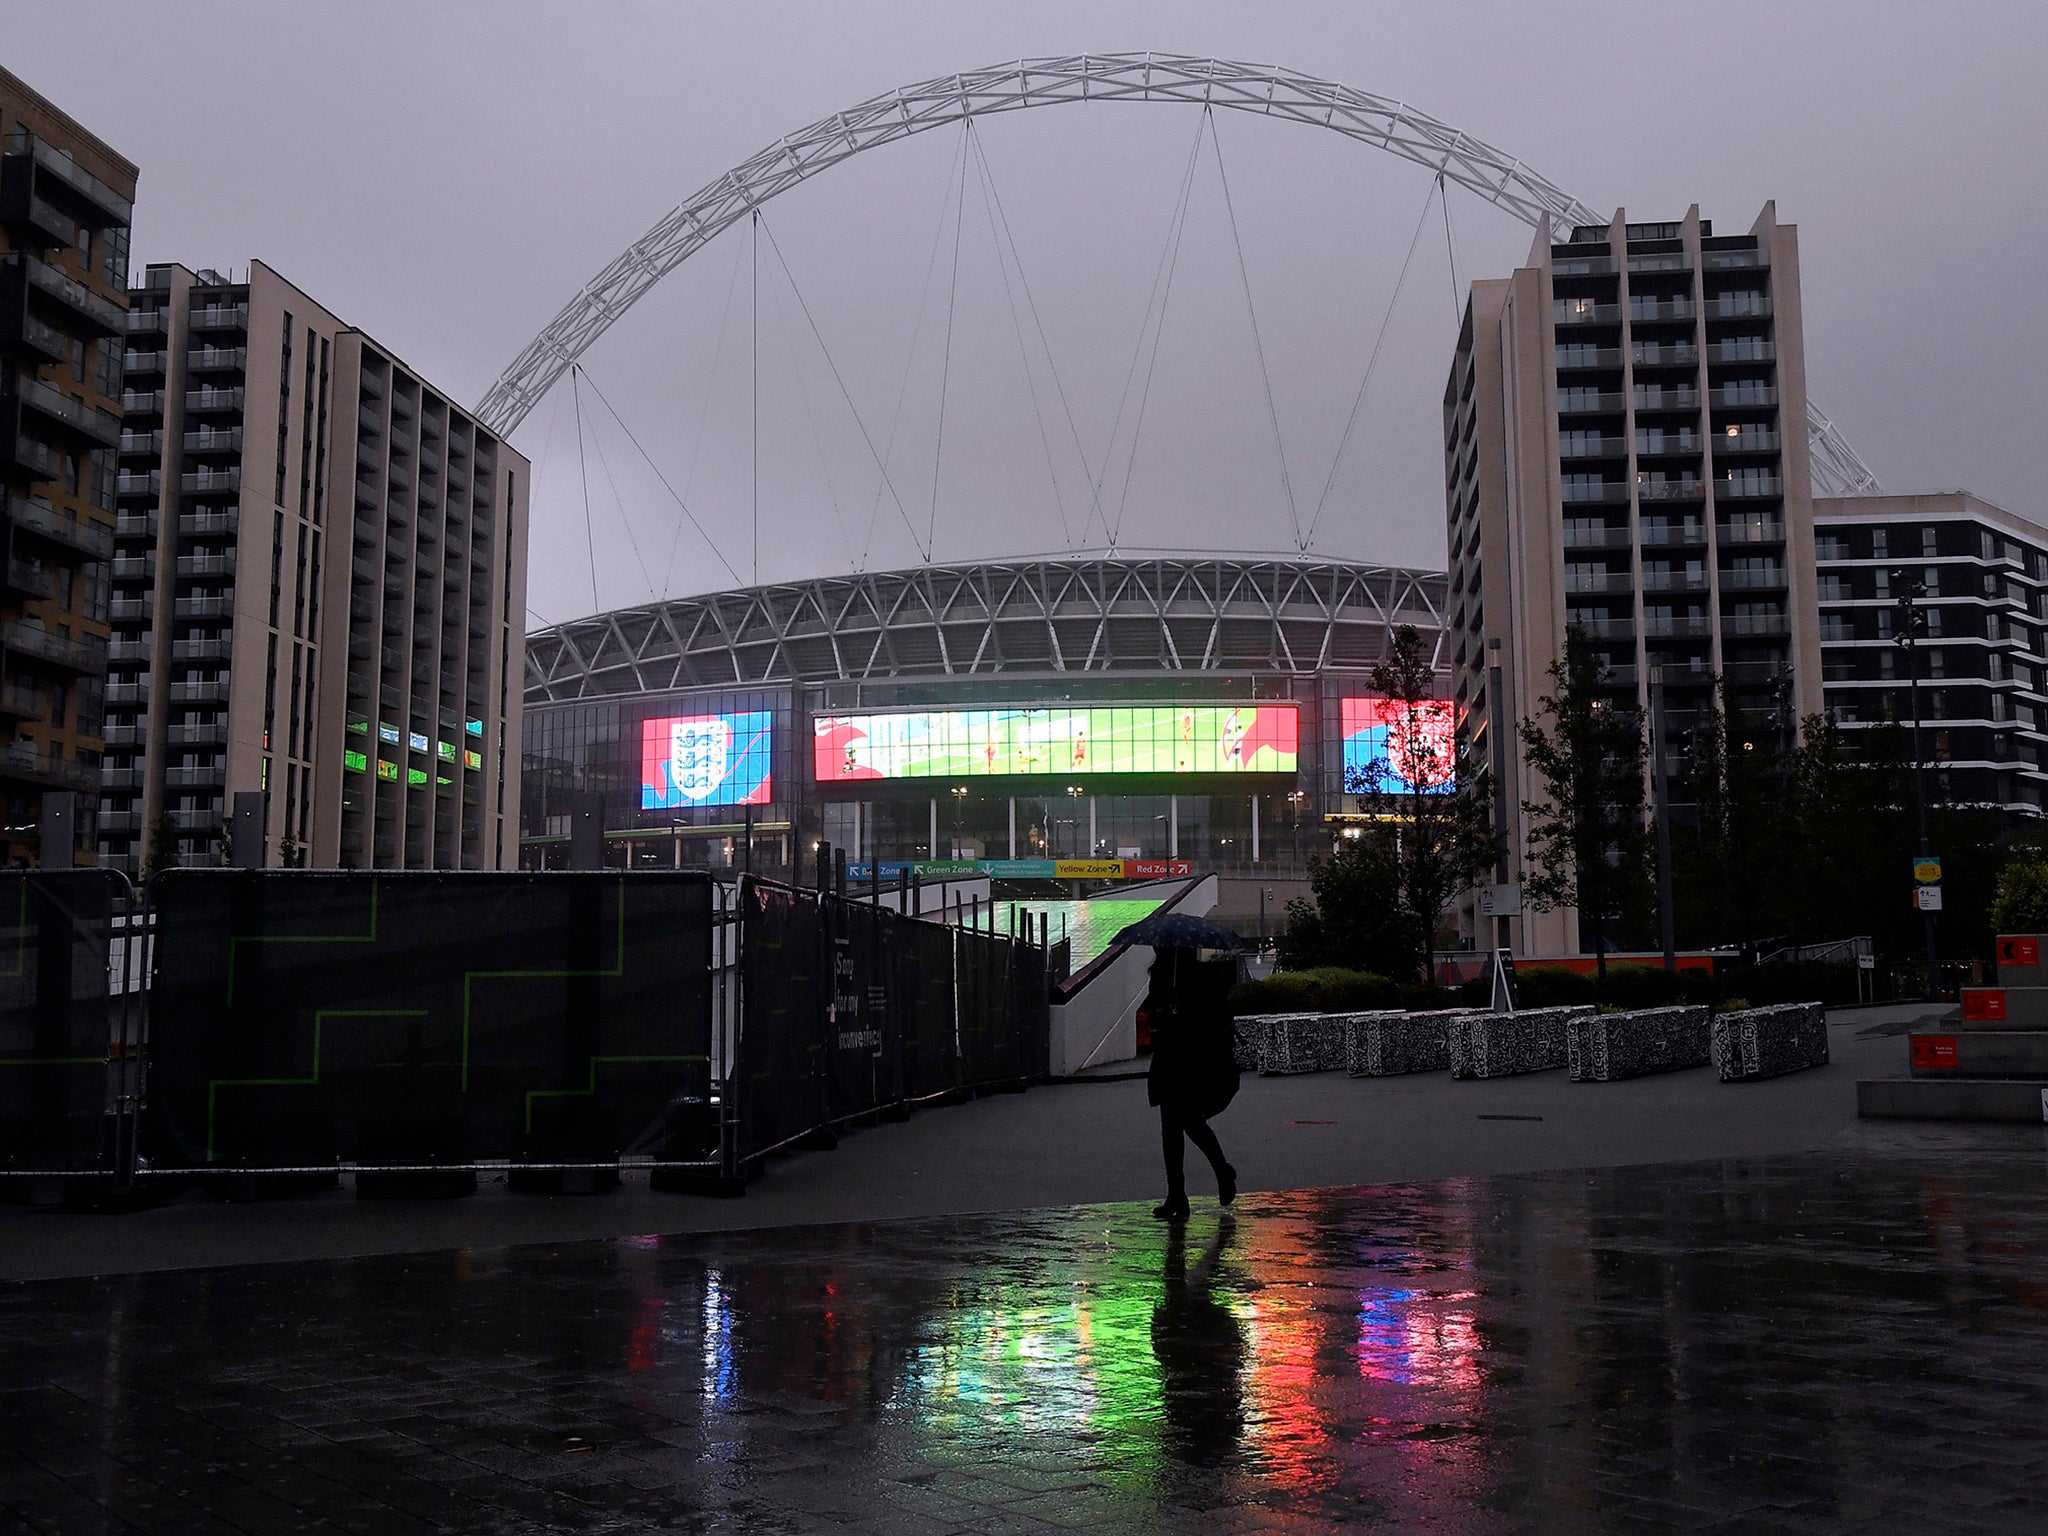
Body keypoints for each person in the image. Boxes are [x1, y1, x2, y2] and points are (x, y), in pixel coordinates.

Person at [1144, 947, 1240, 1220]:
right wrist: (1164, 1010)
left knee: (1189, 1121)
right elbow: (1152, 1011)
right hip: (1169, 1059)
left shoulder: (1201, 979)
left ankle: (1219, 1172)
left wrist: (1182, 1010)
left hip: (1191, 1061)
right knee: (1171, 1131)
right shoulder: (1161, 976)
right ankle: (1177, 1194)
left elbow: (1212, 1018)